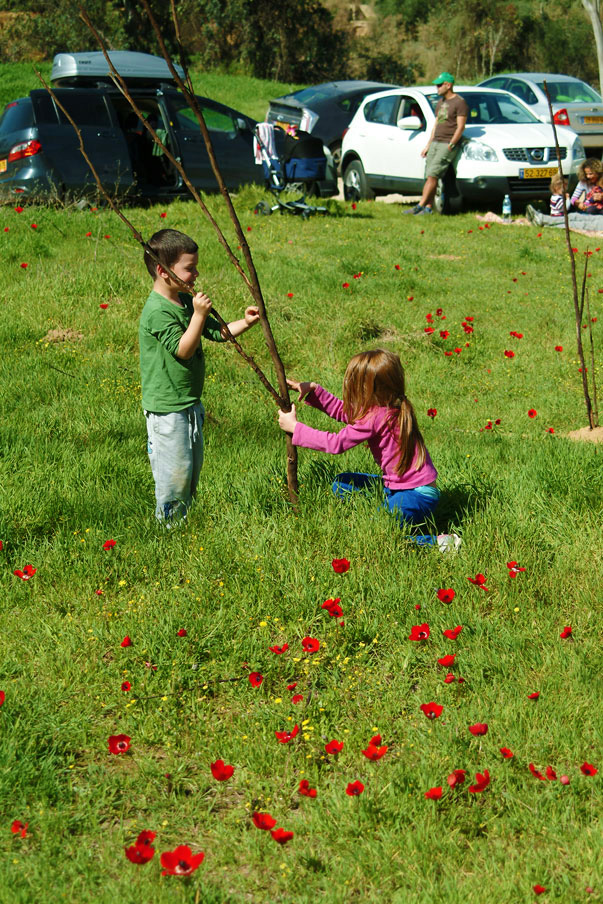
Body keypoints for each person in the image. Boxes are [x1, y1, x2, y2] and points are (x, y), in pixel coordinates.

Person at [278, 349, 460, 550]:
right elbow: (345, 412)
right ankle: (388, 511)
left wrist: (296, 429)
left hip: (416, 496)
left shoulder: (376, 417)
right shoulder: (388, 406)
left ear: (368, 389)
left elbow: (335, 443)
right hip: (405, 489)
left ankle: (439, 542)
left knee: (379, 533)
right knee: (341, 484)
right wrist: (313, 391)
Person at [139, 228, 260, 522]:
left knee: (190, 471)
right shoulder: (157, 311)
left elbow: (215, 333)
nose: (196, 274)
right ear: (163, 271)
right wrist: (198, 315)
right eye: (189, 268)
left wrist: (244, 323)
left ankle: (184, 521)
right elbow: (183, 349)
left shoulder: (183, 301)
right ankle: (169, 528)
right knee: (173, 476)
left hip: (189, 403)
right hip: (167, 410)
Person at [407, 72, 468, 216]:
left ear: (448, 85)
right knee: (429, 175)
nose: (437, 87)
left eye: (440, 85)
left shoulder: (460, 102)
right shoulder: (441, 102)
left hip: (446, 143)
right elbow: (436, 124)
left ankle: (419, 206)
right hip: (435, 142)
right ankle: (428, 207)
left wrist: (452, 144)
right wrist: (428, 145)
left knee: (433, 175)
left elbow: (460, 127)